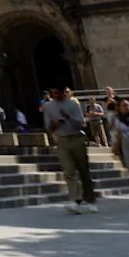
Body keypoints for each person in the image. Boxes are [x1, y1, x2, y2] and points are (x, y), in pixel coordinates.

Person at [41, 86, 98, 214]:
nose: (57, 94)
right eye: (54, 92)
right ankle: (74, 199)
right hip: (62, 140)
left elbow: (81, 123)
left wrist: (68, 117)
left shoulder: (73, 104)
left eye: (60, 92)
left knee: (83, 170)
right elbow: (48, 127)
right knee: (69, 170)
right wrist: (55, 123)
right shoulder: (49, 107)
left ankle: (90, 200)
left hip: (76, 137)